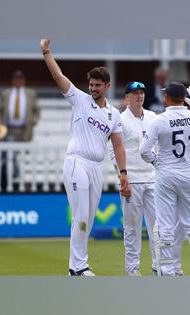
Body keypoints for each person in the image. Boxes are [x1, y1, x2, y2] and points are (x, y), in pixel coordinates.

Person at [40, 38, 130, 276]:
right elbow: (58, 77)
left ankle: (76, 266)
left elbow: (119, 146)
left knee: (88, 219)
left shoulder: (113, 114)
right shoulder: (80, 99)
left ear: (107, 86)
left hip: (96, 167)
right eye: (91, 84)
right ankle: (78, 266)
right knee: (80, 213)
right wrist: (47, 52)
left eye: (98, 85)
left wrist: (123, 173)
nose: (93, 88)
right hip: (76, 162)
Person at [139, 81, 190, 276]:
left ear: (166, 98)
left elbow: (143, 151)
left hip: (166, 175)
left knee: (166, 223)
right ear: (185, 98)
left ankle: (167, 269)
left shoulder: (159, 120)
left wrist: (157, 162)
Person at [111, 81, 157, 276]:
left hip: (154, 180)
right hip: (133, 180)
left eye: (141, 93)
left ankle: (159, 266)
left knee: (158, 227)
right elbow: (114, 151)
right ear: (127, 97)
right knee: (132, 227)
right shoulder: (120, 120)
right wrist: (123, 177)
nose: (139, 96)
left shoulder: (154, 117)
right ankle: (132, 269)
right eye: (135, 93)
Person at [0, 70, 40, 142]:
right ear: (12, 80)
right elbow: (0, 109)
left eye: (20, 78)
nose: (18, 81)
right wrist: (0, 122)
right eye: (16, 78)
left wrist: (34, 121)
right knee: (7, 150)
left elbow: (37, 110)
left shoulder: (30, 93)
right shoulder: (6, 93)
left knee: (23, 150)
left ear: (24, 80)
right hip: (8, 128)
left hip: (24, 129)